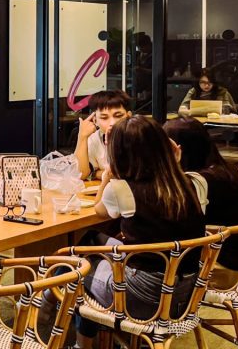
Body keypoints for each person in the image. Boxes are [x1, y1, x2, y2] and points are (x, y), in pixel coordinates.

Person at [77, 115, 207, 348]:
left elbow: (99, 212)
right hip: (186, 295)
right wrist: (174, 163)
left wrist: (107, 176)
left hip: (143, 299)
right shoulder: (195, 182)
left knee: (73, 271)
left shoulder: (121, 189)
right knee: (92, 242)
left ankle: (78, 342)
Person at [164, 117, 238, 288]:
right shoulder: (224, 168)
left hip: (218, 266)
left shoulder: (203, 180)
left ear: (180, 149)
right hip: (234, 259)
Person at [73, 90, 132, 180]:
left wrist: (99, 174)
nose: (112, 123)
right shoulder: (94, 139)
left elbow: (128, 174)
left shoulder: (139, 135)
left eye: (118, 116)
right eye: (104, 118)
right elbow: (80, 175)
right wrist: (82, 137)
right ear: (95, 121)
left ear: (129, 116)